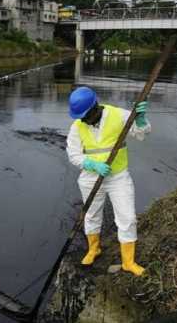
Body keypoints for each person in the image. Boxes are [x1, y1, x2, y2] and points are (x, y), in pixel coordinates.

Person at [66, 86, 150, 276]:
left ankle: (128, 262)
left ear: (95, 107)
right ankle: (94, 249)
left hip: (118, 177)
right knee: (92, 214)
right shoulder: (77, 126)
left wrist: (141, 120)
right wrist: (91, 164)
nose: (84, 120)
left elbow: (141, 133)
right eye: (81, 117)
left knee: (127, 218)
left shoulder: (117, 115)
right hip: (90, 177)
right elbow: (73, 155)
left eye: (86, 116)